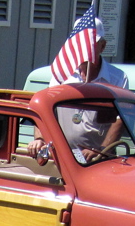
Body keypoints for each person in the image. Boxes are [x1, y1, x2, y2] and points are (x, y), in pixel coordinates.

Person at [39, 16, 129, 163]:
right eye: (81, 44)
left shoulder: (117, 78)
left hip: (100, 159)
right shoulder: (62, 74)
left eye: (92, 45)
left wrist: (100, 149)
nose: (86, 51)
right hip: (63, 156)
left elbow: (121, 120)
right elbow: (45, 111)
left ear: (103, 46)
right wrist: (40, 139)